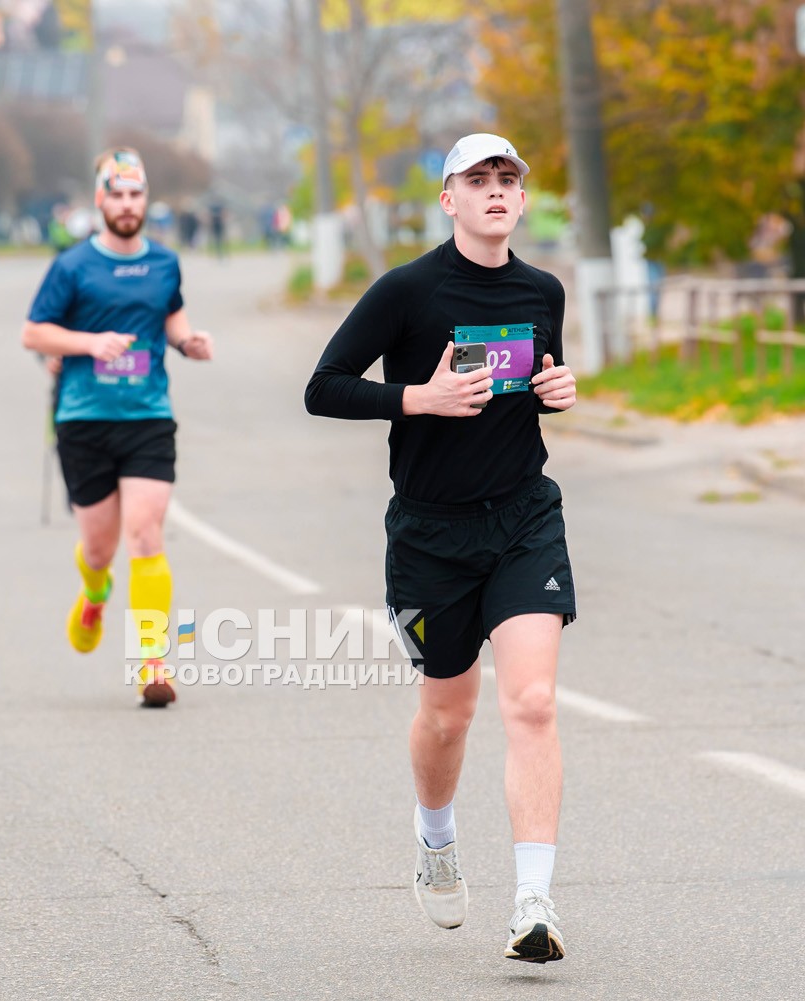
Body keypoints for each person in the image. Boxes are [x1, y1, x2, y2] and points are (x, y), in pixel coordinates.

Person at [304, 133, 579, 963]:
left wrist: (556, 392)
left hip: (524, 519)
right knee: (447, 712)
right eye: (477, 179)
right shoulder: (407, 292)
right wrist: (415, 398)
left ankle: (534, 900)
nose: (495, 191)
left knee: (530, 703)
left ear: (522, 201)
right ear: (448, 200)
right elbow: (324, 387)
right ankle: (435, 838)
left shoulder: (543, 290)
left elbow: (531, 386)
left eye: (508, 180)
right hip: (429, 533)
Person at [22, 147, 214, 708]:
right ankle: (94, 589)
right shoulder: (72, 266)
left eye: (136, 194)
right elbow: (34, 333)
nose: (127, 204)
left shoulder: (164, 263)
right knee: (101, 549)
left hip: (148, 417)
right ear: (100, 200)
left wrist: (187, 339)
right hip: (84, 420)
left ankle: (153, 661)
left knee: (147, 534)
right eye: (117, 194)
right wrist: (88, 344)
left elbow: (171, 311)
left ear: (145, 201)